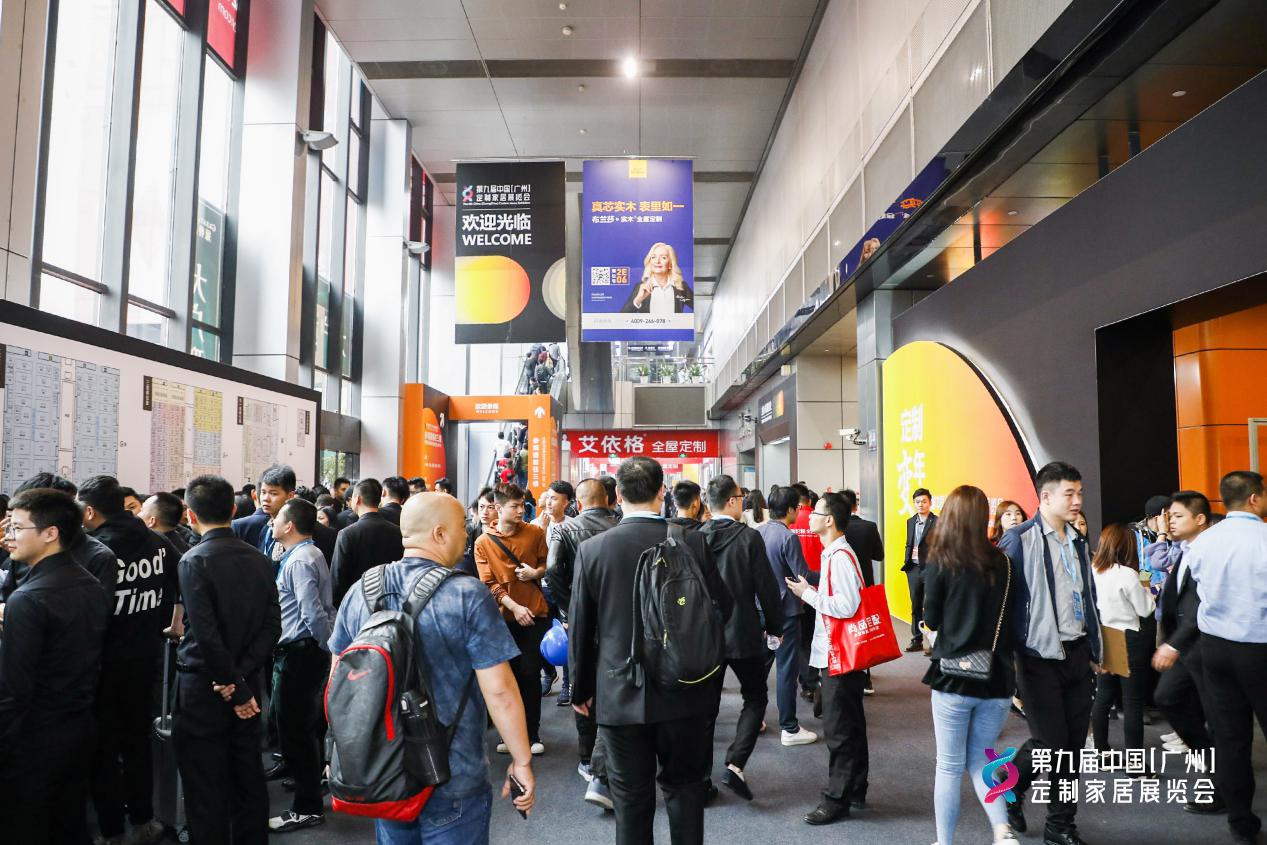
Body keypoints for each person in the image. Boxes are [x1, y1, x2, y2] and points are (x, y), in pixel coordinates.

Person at [329, 492, 535, 841]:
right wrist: (522, 761)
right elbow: (499, 690)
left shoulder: (361, 590)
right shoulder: (467, 594)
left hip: (383, 773)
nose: (467, 535)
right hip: (454, 774)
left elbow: (338, 682)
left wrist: (341, 752)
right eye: (461, 528)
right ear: (440, 533)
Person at [569, 456, 733, 844]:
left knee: (630, 802)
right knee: (686, 790)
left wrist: (581, 689)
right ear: (663, 491)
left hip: (618, 691)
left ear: (617, 495)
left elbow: (581, 628)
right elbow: (722, 606)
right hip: (685, 688)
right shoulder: (691, 540)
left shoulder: (593, 550)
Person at [998, 462, 1102, 845]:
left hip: (1077, 654)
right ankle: (1010, 786)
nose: (1077, 501)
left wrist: (1096, 647)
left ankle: (1060, 825)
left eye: (1080, 493)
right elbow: (1001, 604)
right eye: (1069, 494)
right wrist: (1007, 665)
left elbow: (1087, 596)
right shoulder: (1018, 540)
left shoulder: (1077, 540)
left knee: (1072, 747)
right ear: (1045, 496)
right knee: (1051, 744)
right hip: (1036, 658)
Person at [174, 475, 281, 845]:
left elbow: (205, 635)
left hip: (204, 686)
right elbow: (272, 627)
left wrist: (232, 685)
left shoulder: (193, 561)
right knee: (248, 776)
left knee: (205, 785)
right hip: (247, 683)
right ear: (234, 510)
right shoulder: (260, 559)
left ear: (190, 515)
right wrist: (243, 681)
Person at [0, 488, 111, 844]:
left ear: (50, 533)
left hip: (34, 737)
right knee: (69, 824)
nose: (9, 535)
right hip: (79, 725)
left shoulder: (28, 599)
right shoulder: (90, 583)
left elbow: (14, 692)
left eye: (17, 528)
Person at [78, 475, 181, 845]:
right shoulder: (160, 542)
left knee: (103, 750)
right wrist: (171, 623)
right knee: (138, 744)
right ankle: (143, 820)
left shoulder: (94, 551)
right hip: (146, 659)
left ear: (90, 511)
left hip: (103, 666)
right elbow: (179, 586)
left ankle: (111, 831)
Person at [920, 485, 1019, 845]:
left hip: (954, 677)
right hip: (998, 677)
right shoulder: (1005, 563)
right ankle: (1002, 830)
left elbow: (931, 618)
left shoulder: (942, 561)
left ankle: (945, 842)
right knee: (982, 759)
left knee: (949, 765)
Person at [1185, 471, 1267, 845]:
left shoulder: (1205, 540)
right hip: (1258, 646)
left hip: (1214, 647)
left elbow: (1199, 587)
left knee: (1230, 739)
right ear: (1254, 498)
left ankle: (1241, 824)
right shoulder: (1263, 538)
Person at [785, 491, 869, 825]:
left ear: (829, 520)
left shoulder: (839, 556)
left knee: (839, 730)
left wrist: (807, 594)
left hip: (839, 655)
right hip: (839, 654)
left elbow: (846, 606)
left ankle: (837, 798)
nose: (809, 517)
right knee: (851, 725)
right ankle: (855, 789)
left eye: (816, 512)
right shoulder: (834, 553)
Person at [700, 475, 784, 801]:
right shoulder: (749, 537)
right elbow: (766, 587)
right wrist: (775, 627)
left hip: (706, 636)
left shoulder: (696, 537)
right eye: (741, 497)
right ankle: (735, 763)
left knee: (706, 708)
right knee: (755, 696)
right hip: (743, 632)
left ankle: (701, 782)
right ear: (733, 501)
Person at [546, 477, 621, 809]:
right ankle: (610, 757)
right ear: (608, 499)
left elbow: (552, 571)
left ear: (577, 502)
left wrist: (570, 607)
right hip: (617, 618)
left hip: (580, 620)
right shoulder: (620, 527)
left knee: (581, 681)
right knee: (615, 682)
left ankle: (587, 758)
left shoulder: (565, 529)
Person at [1150, 491, 1225, 812]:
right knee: (1167, 697)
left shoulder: (1210, 552)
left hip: (1207, 647)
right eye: (1169, 516)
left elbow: (1203, 605)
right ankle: (1214, 762)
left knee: (1220, 721)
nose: (1170, 522)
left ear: (1200, 519)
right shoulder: (1184, 549)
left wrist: (1173, 644)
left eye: (1177, 516)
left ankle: (1223, 787)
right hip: (1186, 647)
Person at [266, 498, 335, 832]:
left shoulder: (300, 560)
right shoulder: (306, 553)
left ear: (290, 525)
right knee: (300, 727)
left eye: (278, 517)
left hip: (300, 651)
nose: (272, 522)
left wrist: (325, 647)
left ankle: (307, 807)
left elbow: (313, 613)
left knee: (295, 729)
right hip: (303, 650)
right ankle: (308, 790)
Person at [475, 483, 550, 754]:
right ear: (498, 507)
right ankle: (509, 736)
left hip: (535, 613)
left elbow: (544, 565)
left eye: (522, 505)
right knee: (507, 679)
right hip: (502, 617)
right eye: (514, 506)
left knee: (530, 674)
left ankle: (531, 734)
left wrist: (535, 573)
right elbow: (488, 583)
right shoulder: (483, 542)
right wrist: (514, 607)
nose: (521, 510)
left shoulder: (535, 533)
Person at [756, 486, 819, 747]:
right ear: (792, 509)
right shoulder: (788, 537)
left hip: (760, 609)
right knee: (786, 670)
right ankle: (789, 728)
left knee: (761, 668)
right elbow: (802, 574)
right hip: (786, 613)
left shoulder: (758, 532)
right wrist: (828, 572)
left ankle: (755, 718)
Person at [1089, 524, 1156, 758]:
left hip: (1104, 636)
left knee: (1103, 697)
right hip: (1129, 639)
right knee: (1132, 703)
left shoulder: (1093, 569)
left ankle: (1101, 752)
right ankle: (1135, 767)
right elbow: (1145, 609)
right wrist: (1147, 589)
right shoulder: (1127, 574)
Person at [232, 464, 336, 565]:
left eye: (273, 493)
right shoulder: (266, 528)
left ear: (290, 495)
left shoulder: (311, 531)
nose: (266, 498)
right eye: (263, 492)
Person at [329, 478, 405, 608]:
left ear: (358, 499)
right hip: (389, 603)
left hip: (356, 604)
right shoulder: (397, 531)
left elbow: (337, 578)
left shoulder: (347, 534)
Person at [840, 489, 885, 695]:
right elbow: (879, 555)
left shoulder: (836, 528)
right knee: (864, 631)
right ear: (855, 506)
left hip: (841, 586)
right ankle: (865, 678)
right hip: (865, 585)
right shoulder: (869, 526)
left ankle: (845, 671)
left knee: (844, 629)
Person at [535, 480, 574, 699]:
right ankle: (549, 675)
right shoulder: (535, 526)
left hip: (564, 590)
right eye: (548, 497)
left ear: (566, 502)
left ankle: (567, 683)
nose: (549, 503)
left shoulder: (573, 526)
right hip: (540, 589)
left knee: (566, 636)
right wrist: (540, 532)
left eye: (555, 499)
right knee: (539, 635)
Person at [790, 484, 825, 701]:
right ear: (810, 501)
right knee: (811, 638)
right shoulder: (818, 521)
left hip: (792, 590)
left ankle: (801, 679)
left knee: (795, 639)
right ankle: (810, 682)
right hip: (815, 589)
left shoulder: (788, 522)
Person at [903, 487, 938, 652]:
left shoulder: (937, 522)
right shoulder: (910, 521)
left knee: (931, 605)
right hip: (914, 569)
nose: (921, 504)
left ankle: (933, 642)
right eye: (917, 502)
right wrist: (907, 562)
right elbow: (909, 543)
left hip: (930, 569)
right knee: (915, 605)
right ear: (913, 503)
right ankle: (916, 640)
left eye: (924, 501)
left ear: (930, 503)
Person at [621, 242, 694, 314]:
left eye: (663, 258)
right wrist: (638, 300)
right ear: (650, 262)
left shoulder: (681, 287)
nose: (657, 261)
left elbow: (697, 307)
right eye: (653, 257)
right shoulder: (641, 287)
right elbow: (621, 317)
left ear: (670, 264)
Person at [461, 487, 496, 578]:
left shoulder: (505, 532)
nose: (485, 512)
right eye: (481, 507)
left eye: (490, 507)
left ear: (499, 508)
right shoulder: (470, 532)